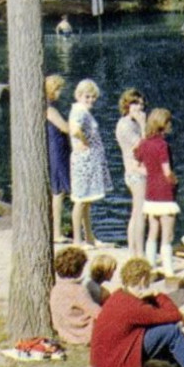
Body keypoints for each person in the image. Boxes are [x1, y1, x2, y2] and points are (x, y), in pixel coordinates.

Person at [135, 107, 180, 274]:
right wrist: (175, 180)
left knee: (153, 231)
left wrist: (152, 173)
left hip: (151, 192)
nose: (170, 126)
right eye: (169, 122)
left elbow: (138, 166)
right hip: (165, 193)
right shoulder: (162, 145)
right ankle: (169, 271)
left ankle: (151, 267)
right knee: (167, 234)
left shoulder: (144, 143)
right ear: (163, 124)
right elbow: (167, 171)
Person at [68, 79, 111, 247]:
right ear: (79, 96)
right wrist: (84, 141)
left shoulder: (83, 110)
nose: (91, 100)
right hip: (83, 161)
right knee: (80, 199)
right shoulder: (79, 111)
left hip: (89, 161)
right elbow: (75, 129)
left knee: (87, 200)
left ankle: (89, 237)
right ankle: (78, 240)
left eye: (93, 97)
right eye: (87, 96)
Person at [115, 89, 148, 253]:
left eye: (141, 104)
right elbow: (141, 147)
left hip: (139, 171)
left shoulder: (133, 123)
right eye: (135, 103)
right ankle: (139, 253)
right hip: (135, 173)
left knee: (136, 212)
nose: (139, 108)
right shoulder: (125, 125)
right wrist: (143, 126)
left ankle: (132, 251)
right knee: (140, 213)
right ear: (127, 105)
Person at [49, 245, 101, 348]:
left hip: (65, 331)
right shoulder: (78, 290)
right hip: (82, 333)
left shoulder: (56, 288)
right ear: (79, 270)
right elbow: (97, 313)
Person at [45, 75, 73, 243]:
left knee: (59, 191)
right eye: (58, 89)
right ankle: (56, 232)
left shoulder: (50, 107)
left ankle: (57, 230)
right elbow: (65, 127)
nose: (60, 93)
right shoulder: (49, 109)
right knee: (59, 191)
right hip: (57, 150)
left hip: (59, 148)